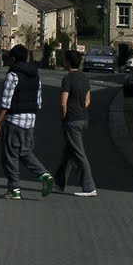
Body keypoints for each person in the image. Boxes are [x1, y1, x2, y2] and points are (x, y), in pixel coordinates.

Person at [0, 44, 55, 200]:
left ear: (13, 58)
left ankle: (14, 189)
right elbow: (39, 100)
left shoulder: (13, 75)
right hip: (30, 119)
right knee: (25, 151)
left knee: (10, 155)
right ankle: (44, 175)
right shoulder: (35, 74)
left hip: (15, 120)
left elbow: (6, 101)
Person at [54, 49, 98, 196]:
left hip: (71, 120)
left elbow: (63, 102)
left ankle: (89, 186)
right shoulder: (84, 78)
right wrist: (80, 109)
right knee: (69, 151)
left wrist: (64, 117)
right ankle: (59, 182)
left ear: (68, 62)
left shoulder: (67, 79)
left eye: (64, 59)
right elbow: (88, 100)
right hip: (83, 118)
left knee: (78, 153)